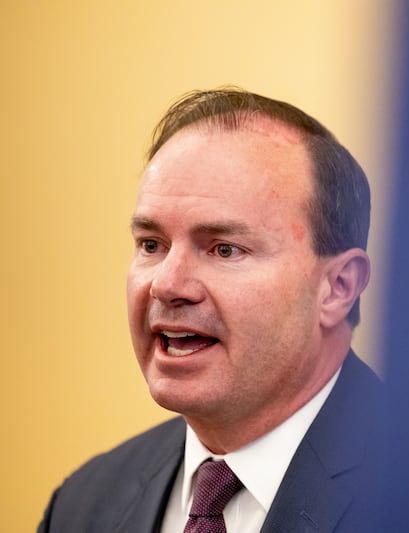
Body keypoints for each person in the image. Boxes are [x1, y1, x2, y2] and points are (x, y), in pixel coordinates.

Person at [38, 88, 381, 532]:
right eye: (151, 244)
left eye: (223, 249)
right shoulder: (84, 504)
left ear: (338, 287)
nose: (166, 284)